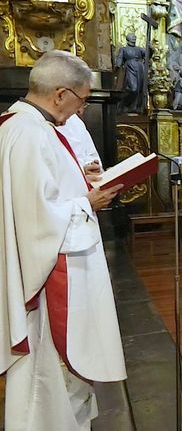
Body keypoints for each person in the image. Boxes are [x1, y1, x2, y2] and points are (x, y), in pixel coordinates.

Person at [0, 50, 126, 431]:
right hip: (47, 281)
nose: (81, 110)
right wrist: (87, 202)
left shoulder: (35, 129)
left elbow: (47, 195)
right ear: (59, 94)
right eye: (81, 99)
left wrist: (83, 186)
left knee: (62, 379)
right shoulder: (27, 133)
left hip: (57, 263)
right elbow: (36, 219)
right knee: (46, 372)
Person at [115, 33, 146, 114]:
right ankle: (124, 103)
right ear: (128, 39)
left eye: (134, 37)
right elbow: (119, 59)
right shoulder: (124, 49)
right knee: (133, 88)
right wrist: (118, 66)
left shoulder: (139, 49)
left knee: (140, 89)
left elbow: (147, 55)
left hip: (140, 69)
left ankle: (134, 107)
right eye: (132, 37)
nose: (134, 38)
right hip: (130, 68)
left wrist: (151, 49)